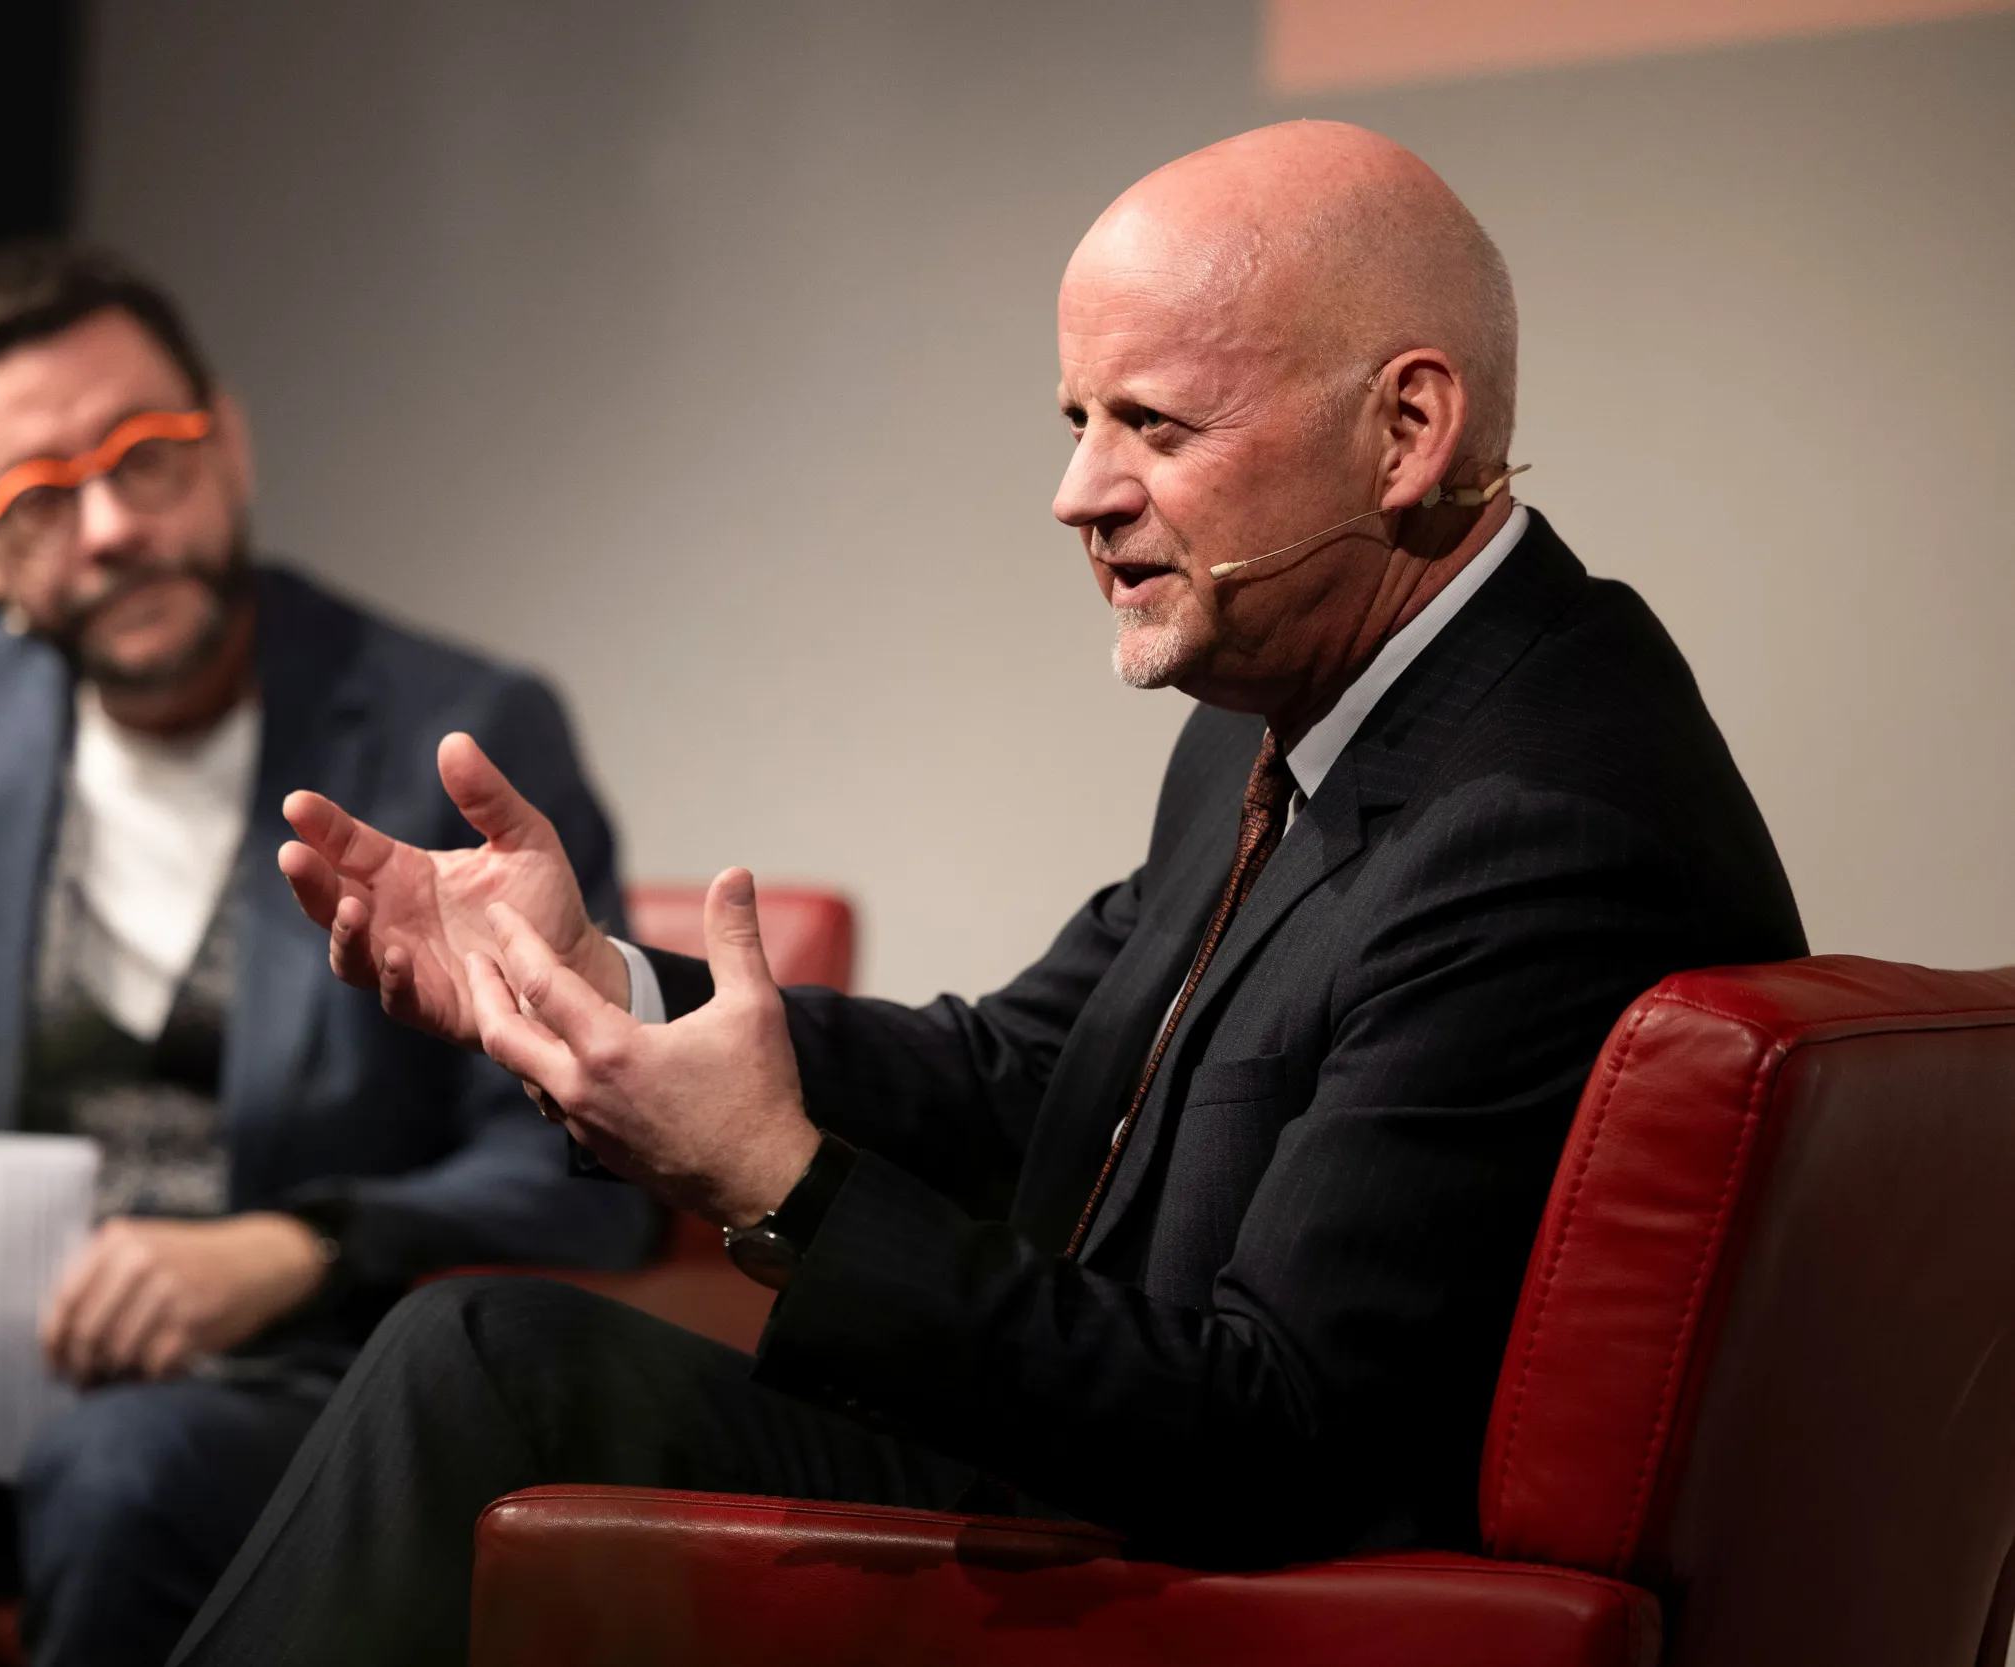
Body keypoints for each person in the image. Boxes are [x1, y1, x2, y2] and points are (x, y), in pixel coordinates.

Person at [168, 121, 1807, 1665]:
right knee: (483, 1355)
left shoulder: (1538, 825)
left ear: (1407, 430)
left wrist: (780, 1185)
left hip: (1234, 1580)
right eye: (1076, 421)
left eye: (1153, 426)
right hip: (1103, 1468)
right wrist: (606, 984)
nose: (1079, 492)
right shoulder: (1304, 706)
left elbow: (1275, 1437)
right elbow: (1023, 1074)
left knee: (473, 1375)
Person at [0, 241, 656, 1667]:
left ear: (228, 441)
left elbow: (576, 1164)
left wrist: (293, 1247)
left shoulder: (451, 733)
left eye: (145, 456)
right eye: (35, 499)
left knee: (121, 1472)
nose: (110, 528)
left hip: (272, 1413)